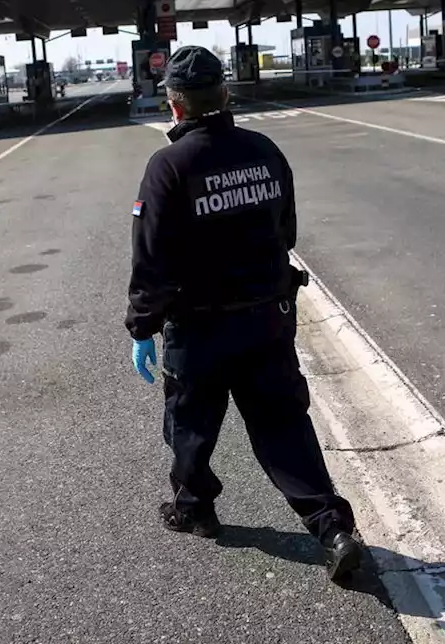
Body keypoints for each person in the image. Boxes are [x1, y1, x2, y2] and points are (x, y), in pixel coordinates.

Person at [124, 45, 361, 582]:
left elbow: (150, 257)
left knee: (190, 425)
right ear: (225, 94)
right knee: (283, 427)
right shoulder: (264, 149)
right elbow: (288, 233)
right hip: (266, 318)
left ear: (175, 105)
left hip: (200, 327)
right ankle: (332, 527)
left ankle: (195, 510)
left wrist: (142, 325)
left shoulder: (168, 166)